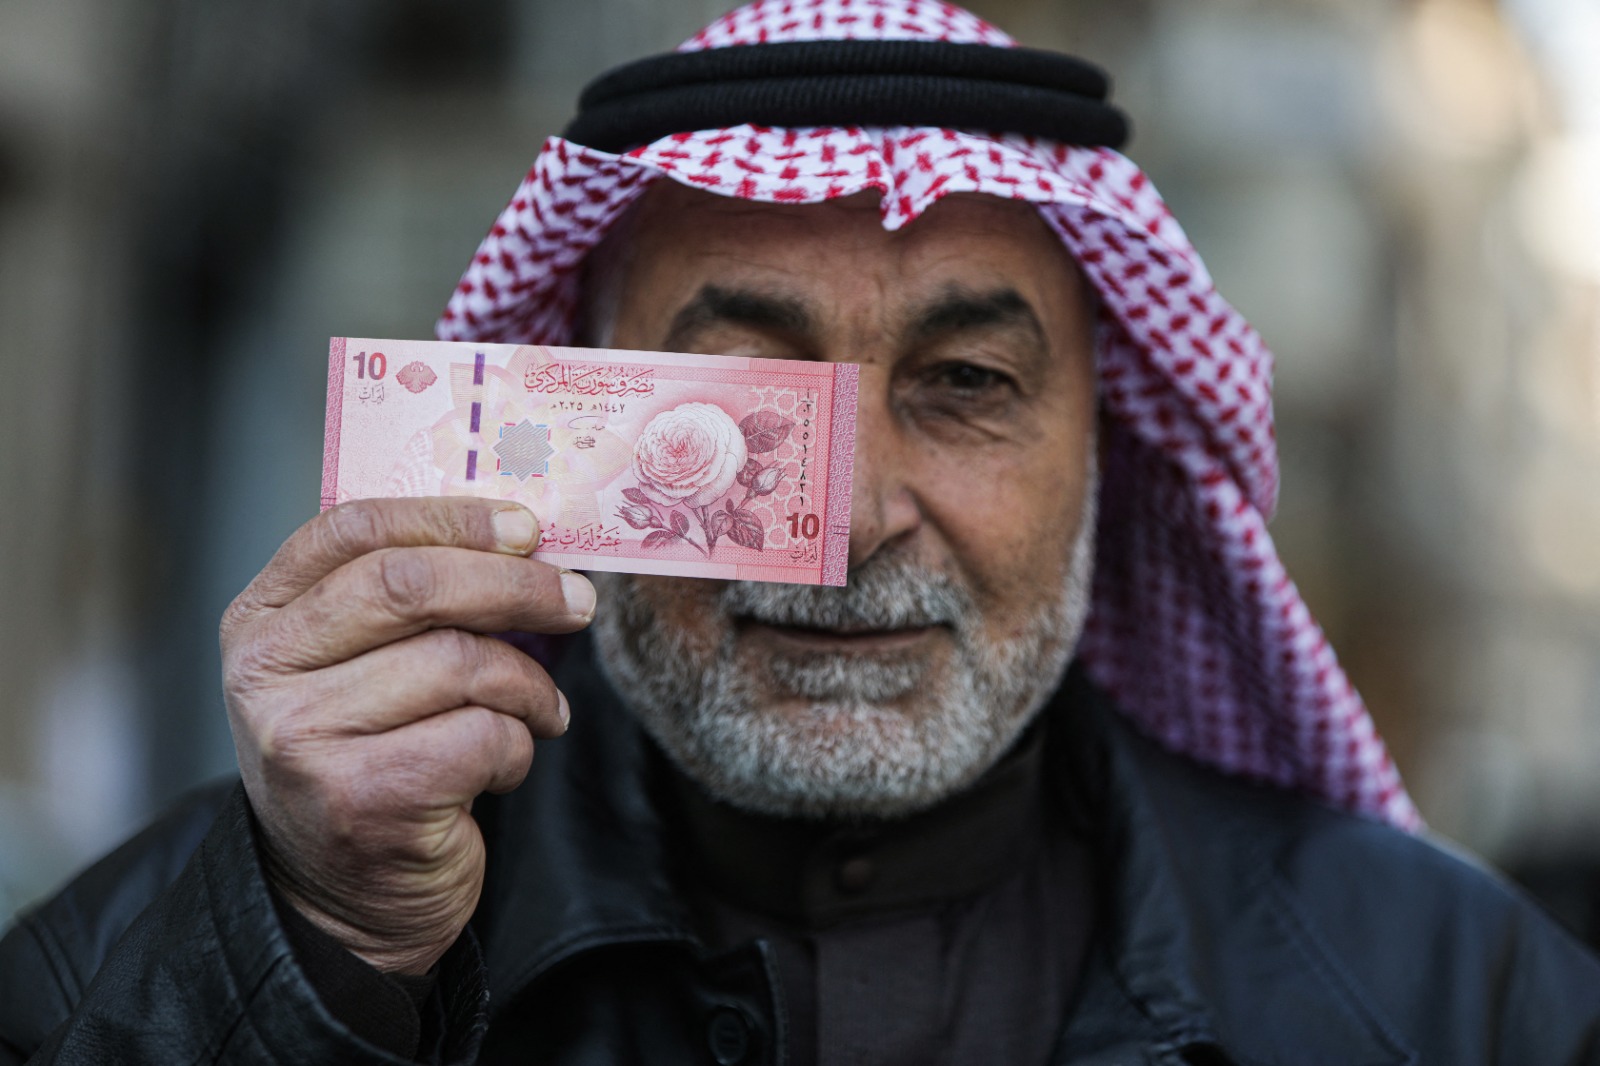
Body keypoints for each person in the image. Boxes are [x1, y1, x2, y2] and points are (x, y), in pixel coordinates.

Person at [4, 1, 1599, 1062]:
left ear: (1106, 453)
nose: (848, 521)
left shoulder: (1452, 996)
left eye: (966, 385)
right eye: (742, 397)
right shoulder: (243, 930)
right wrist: (317, 961)